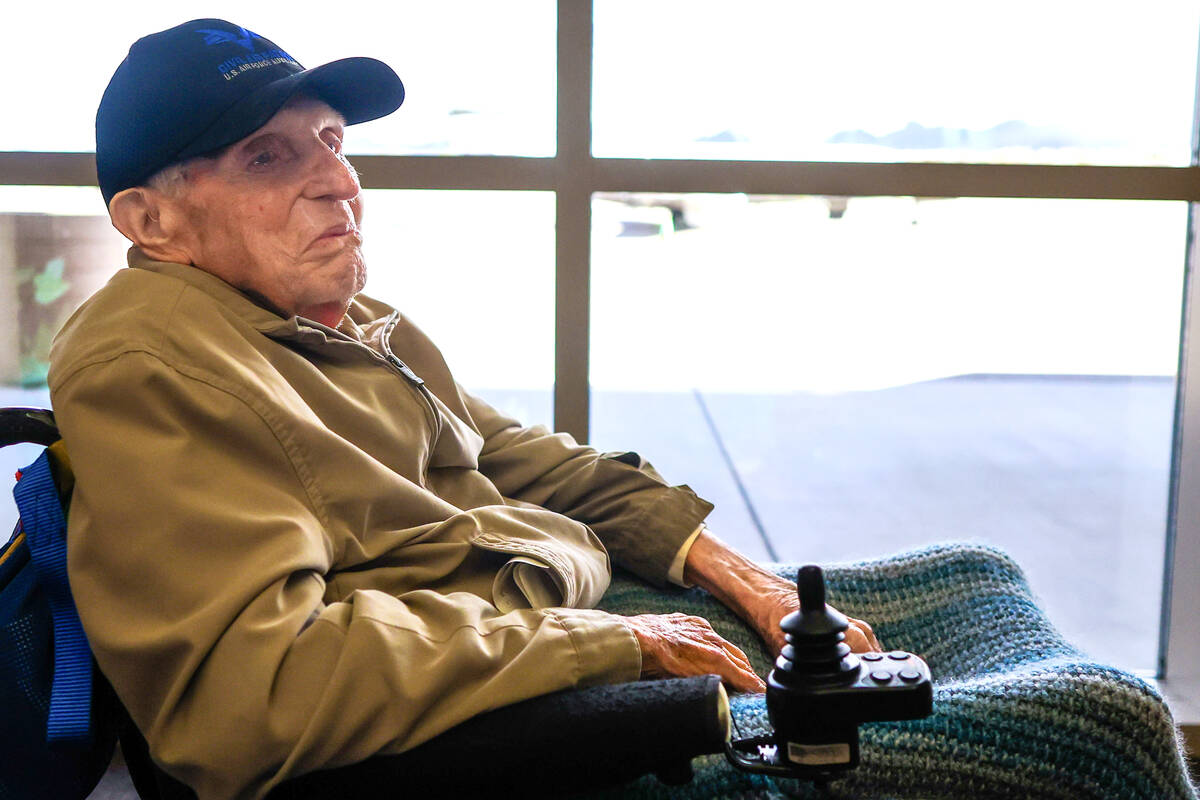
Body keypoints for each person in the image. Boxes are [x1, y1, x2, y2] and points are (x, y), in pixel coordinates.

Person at [50, 18, 879, 800]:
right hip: (465, 722)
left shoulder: (338, 320)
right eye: (266, 158)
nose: (340, 183)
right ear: (152, 222)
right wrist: (616, 644)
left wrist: (747, 582)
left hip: (538, 617)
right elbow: (249, 693)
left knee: (954, 575)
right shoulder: (151, 368)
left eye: (332, 142)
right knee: (938, 732)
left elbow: (513, 455)